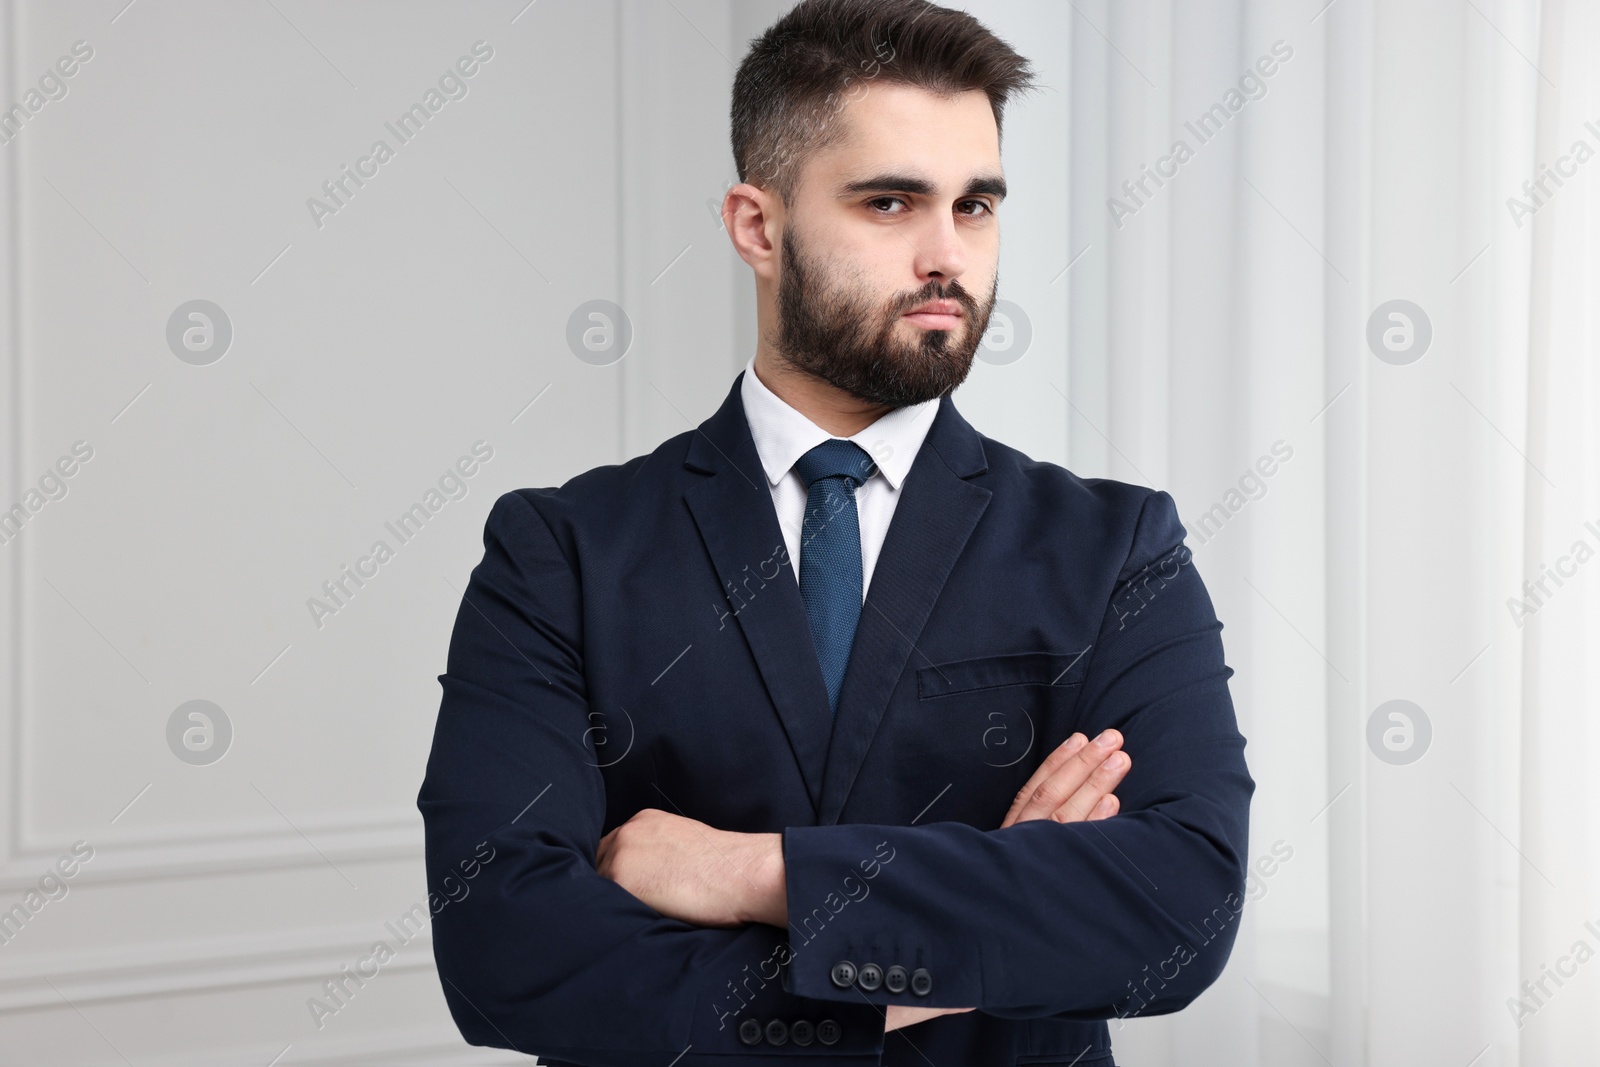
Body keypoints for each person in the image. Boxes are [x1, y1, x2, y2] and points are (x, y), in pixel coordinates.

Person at [417, 1, 1254, 1063]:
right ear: (756, 226)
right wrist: (972, 938)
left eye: (976, 205)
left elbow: (1177, 911)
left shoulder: (1115, 547)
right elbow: (505, 950)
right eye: (892, 202)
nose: (947, 254)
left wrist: (751, 870)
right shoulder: (560, 552)